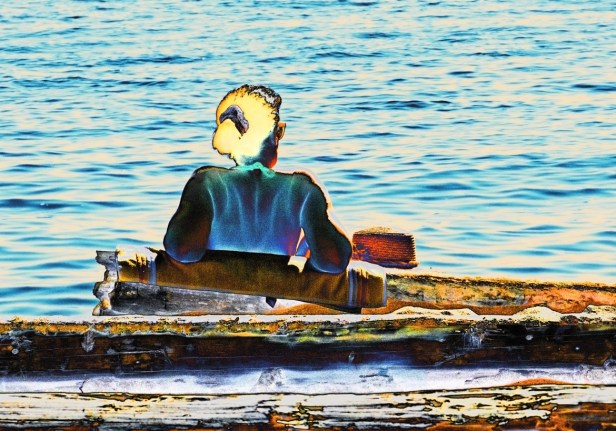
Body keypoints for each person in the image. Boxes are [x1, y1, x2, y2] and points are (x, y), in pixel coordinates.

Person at [164, 85, 352, 274]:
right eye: (279, 132)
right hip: (272, 291)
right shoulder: (300, 188)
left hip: (220, 288)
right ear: (274, 134)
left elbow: (182, 250)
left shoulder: (208, 183)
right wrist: (305, 258)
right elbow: (335, 260)